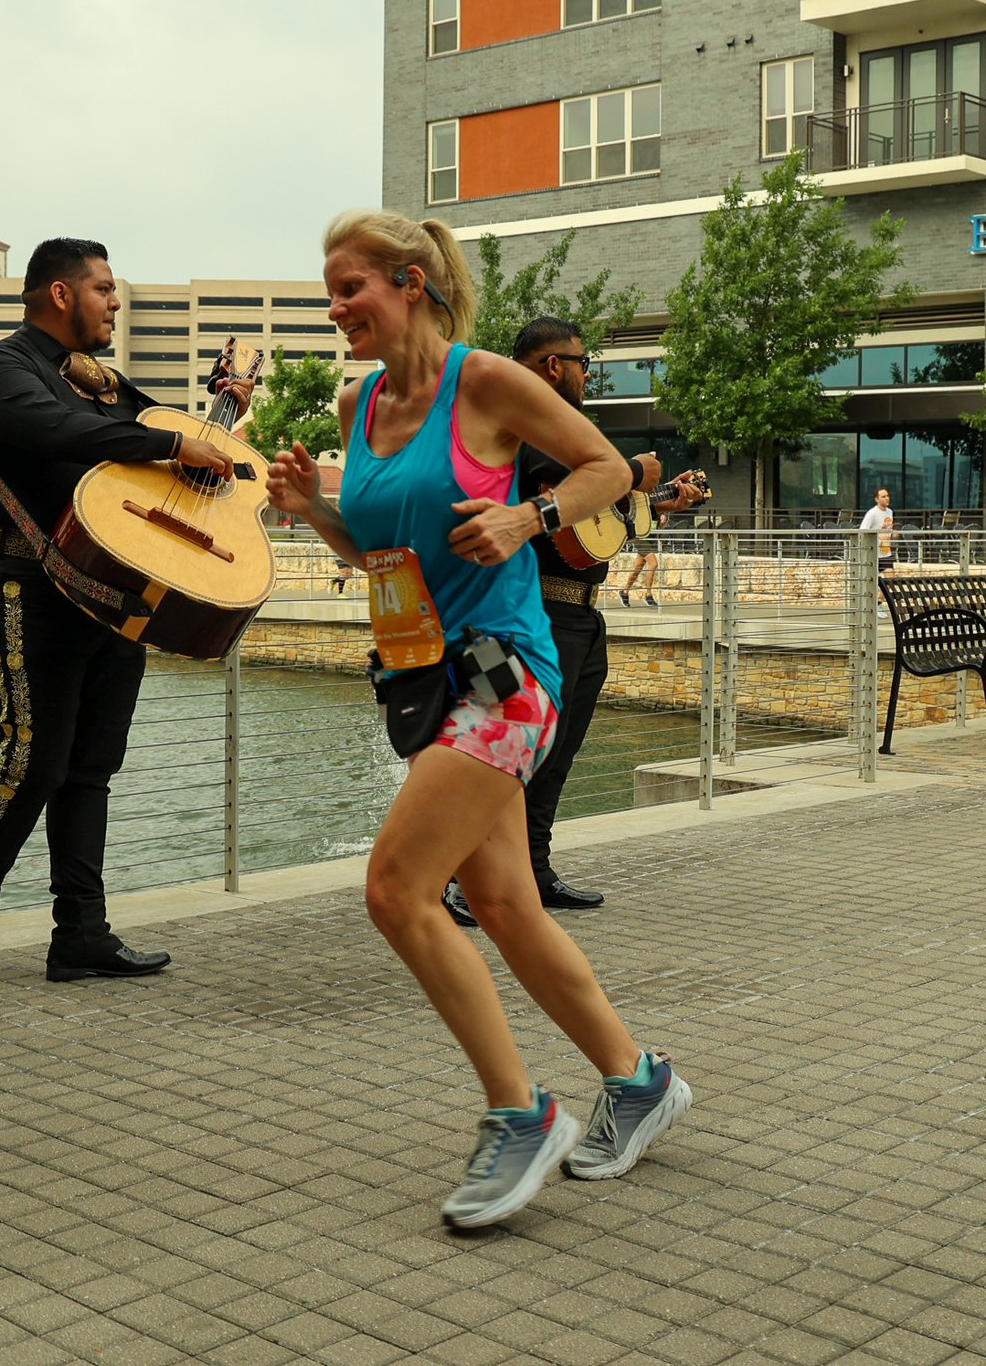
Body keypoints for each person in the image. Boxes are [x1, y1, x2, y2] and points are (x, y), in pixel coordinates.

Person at [268, 209, 693, 1229]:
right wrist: (312, 509)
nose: (336, 309)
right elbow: (374, 552)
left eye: (350, 288)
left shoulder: (488, 379)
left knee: (394, 888)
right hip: (422, 672)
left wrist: (525, 516)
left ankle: (521, 1110)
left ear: (410, 283)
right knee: (503, 906)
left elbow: (606, 465)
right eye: (329, 292)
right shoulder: (356, 401)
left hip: (507, 678)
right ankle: (637, 1081)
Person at [0, 237, 240, 986]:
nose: (115, 302)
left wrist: (223, 410)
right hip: (23, 578)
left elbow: (173, 450)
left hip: (113, 588)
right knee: (32, 758)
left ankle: (81, 932)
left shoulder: (105, 383)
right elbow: (62, 431)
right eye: (105, 289)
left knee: (93, 765)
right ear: (60, 294)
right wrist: (171, 438)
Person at [444, 316, 702, 928]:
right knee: (499, 757)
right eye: (585, 364)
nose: (590, 375)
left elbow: (594, 527)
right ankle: (461, 879)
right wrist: (635, 471)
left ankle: (533, 870)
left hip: (581, 619)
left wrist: (660, 505)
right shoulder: (517, 428)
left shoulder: (567, 437)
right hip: (528, 619)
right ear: (552, 367)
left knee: (556, 757)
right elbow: (582, 491)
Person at [860, 486, 895, 568]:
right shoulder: (872, 513)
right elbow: (862, 531)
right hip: (874, 553)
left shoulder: (890, 512)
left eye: (888, 496)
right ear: (876, 499)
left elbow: (887, 530)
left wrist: (893, 534)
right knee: (874, 579)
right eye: (883, 497)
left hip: (886, 552)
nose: (887, 498)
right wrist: (878, 536)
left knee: (889, 577)